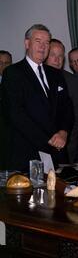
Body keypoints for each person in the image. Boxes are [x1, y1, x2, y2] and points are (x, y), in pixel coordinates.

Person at [1, 24, 73, 170]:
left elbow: (67, 107)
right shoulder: (13, 73)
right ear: (27, 43)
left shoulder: (55, 74)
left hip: (57, 154)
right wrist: (49, 141)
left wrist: (63, 133)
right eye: (38, 41)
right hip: (26, 155)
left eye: (47, 42)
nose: (43, 46)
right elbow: (17, 115)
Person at [45, 39, 78, 163]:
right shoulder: (34, 78)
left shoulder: (72, 80)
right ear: (45, 55)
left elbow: (77, 116)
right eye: (53, 55)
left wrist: (71, 146)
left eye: (60, 56)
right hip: (39, 146)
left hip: (66, 147)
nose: (57, 60)